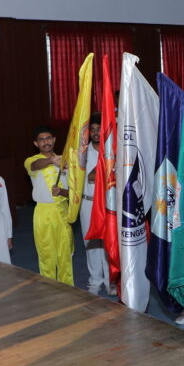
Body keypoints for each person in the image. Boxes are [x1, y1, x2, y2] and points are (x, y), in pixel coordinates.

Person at [24, 125, 74, 285]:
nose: (46, 142)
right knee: (47, 254)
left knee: (65, 254)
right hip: (44, 212)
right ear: (35, 143)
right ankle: (49, 289)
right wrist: (52, 160)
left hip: (63, 211)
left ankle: (68, 290)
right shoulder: (32, 160)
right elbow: (35, 166)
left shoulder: (66, 161)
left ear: (54, 140)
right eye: (41, 139)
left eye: (48, 138)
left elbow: (72, 192)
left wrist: (61, 192)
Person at [79, 113, 110, 295]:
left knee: (108, 242)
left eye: (99, 129)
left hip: (108, 205)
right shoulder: (82, 153)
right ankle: (95, 281)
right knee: (91, 243)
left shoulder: (112, 150)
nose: (96, 133)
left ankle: (110, 280)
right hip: (88, 203)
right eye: (93, 129)